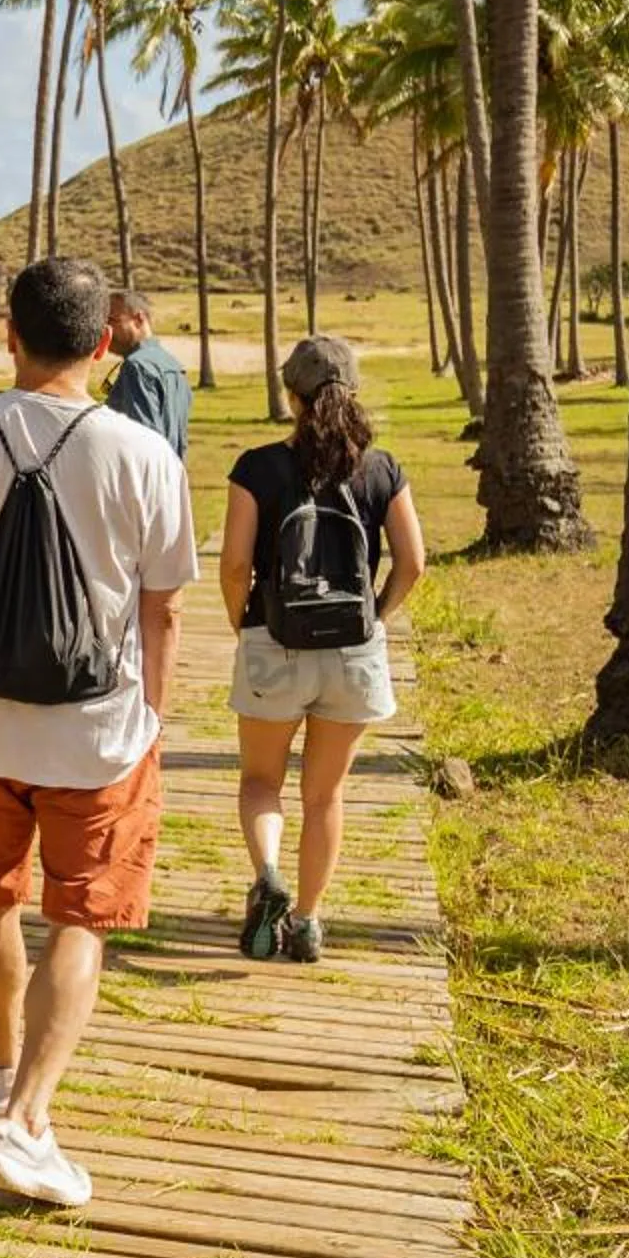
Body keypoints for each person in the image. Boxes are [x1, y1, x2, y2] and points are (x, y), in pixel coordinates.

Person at [0, 257, 196, 1208]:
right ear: (104, 344)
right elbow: (164, 610)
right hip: (99, 732)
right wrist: (154, 714)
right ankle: (24, 1120)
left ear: (9, 337)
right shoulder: (144, 454)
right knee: (80, 916)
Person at [221, 335, 426, 965]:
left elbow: (234, 565)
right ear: (352, 393)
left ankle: (270, 875)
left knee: (261, 781)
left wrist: (244, 623)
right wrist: (374, 618)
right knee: (325, 795)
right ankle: (308, 919)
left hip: (273, 642)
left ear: (292, 396)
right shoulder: (382, 468)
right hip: (354, 652)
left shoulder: (256, 467)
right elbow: (414, 563)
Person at [103, 288, 193, 459]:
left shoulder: (136, 366)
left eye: (111, 321)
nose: (105, 330)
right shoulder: (173, 365)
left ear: (139, 319)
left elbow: (143, 440)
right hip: (171, 477)